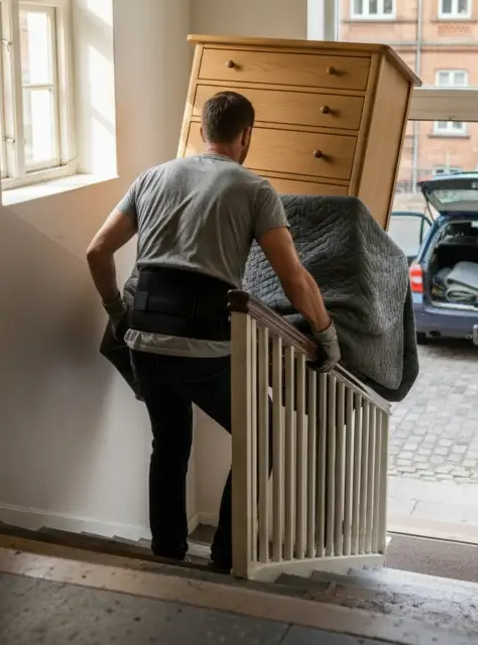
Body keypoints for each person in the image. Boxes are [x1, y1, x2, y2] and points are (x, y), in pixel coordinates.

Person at [84, 90, 340, 571]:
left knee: (171, 441)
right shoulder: (254, 188)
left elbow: (97, 251)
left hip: (143, 338)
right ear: (246, 135)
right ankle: (225, 559)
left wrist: (117, 312)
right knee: (261, 435)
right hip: (204, 343)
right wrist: (325, 337)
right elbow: (293, 277)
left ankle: (166, 554)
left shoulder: (152, 177)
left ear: (204, 130)